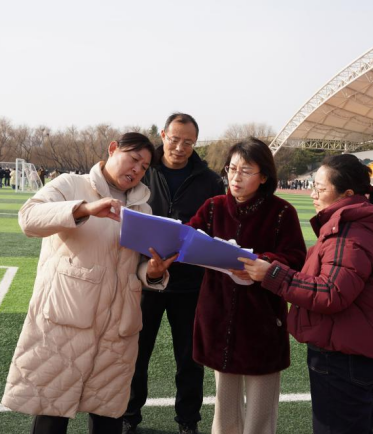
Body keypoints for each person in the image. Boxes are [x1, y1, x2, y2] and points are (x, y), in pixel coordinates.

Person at [1, 132, 177, 434]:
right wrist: (84, 209)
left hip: (117, 328)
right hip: (66, 321)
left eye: (144, 167)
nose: (137, 170)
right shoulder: (71, 184)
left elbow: (135, 268)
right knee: (52, 412)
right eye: (134, 159)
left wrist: (153, 271)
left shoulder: (142, 208)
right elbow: (28, 218)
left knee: (108, 416)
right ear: (113, 149)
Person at [239, 153, 373, 434]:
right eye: (313, 187)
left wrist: (272, 275)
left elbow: (331, 292)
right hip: (349, 348)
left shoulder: (349, 235)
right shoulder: (353, 227)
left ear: (347, 194)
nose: (313, 195)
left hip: (342, 355)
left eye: (320, 188)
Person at [187, 137, 307, 434]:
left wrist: (264, 264)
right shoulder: (213, 207)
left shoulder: (282, 212)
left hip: (262, 320)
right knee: (224, 408)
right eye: (231, 169)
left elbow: (296, 258)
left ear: (263, 176)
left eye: (245, 170)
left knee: (259, 414)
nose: (235, 177)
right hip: (218, 316)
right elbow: (188, 239)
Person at [123, 113, 225, 434]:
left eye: (188, 142)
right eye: (175, 139)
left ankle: (188, 420)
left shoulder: (209, 180)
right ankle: (128, 415)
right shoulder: (143, 170)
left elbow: (217, 227)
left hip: (191, 283)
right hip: (144, 278)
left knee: (190, 358)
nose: (180, 147)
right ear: (163, 135)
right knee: (136, 354)